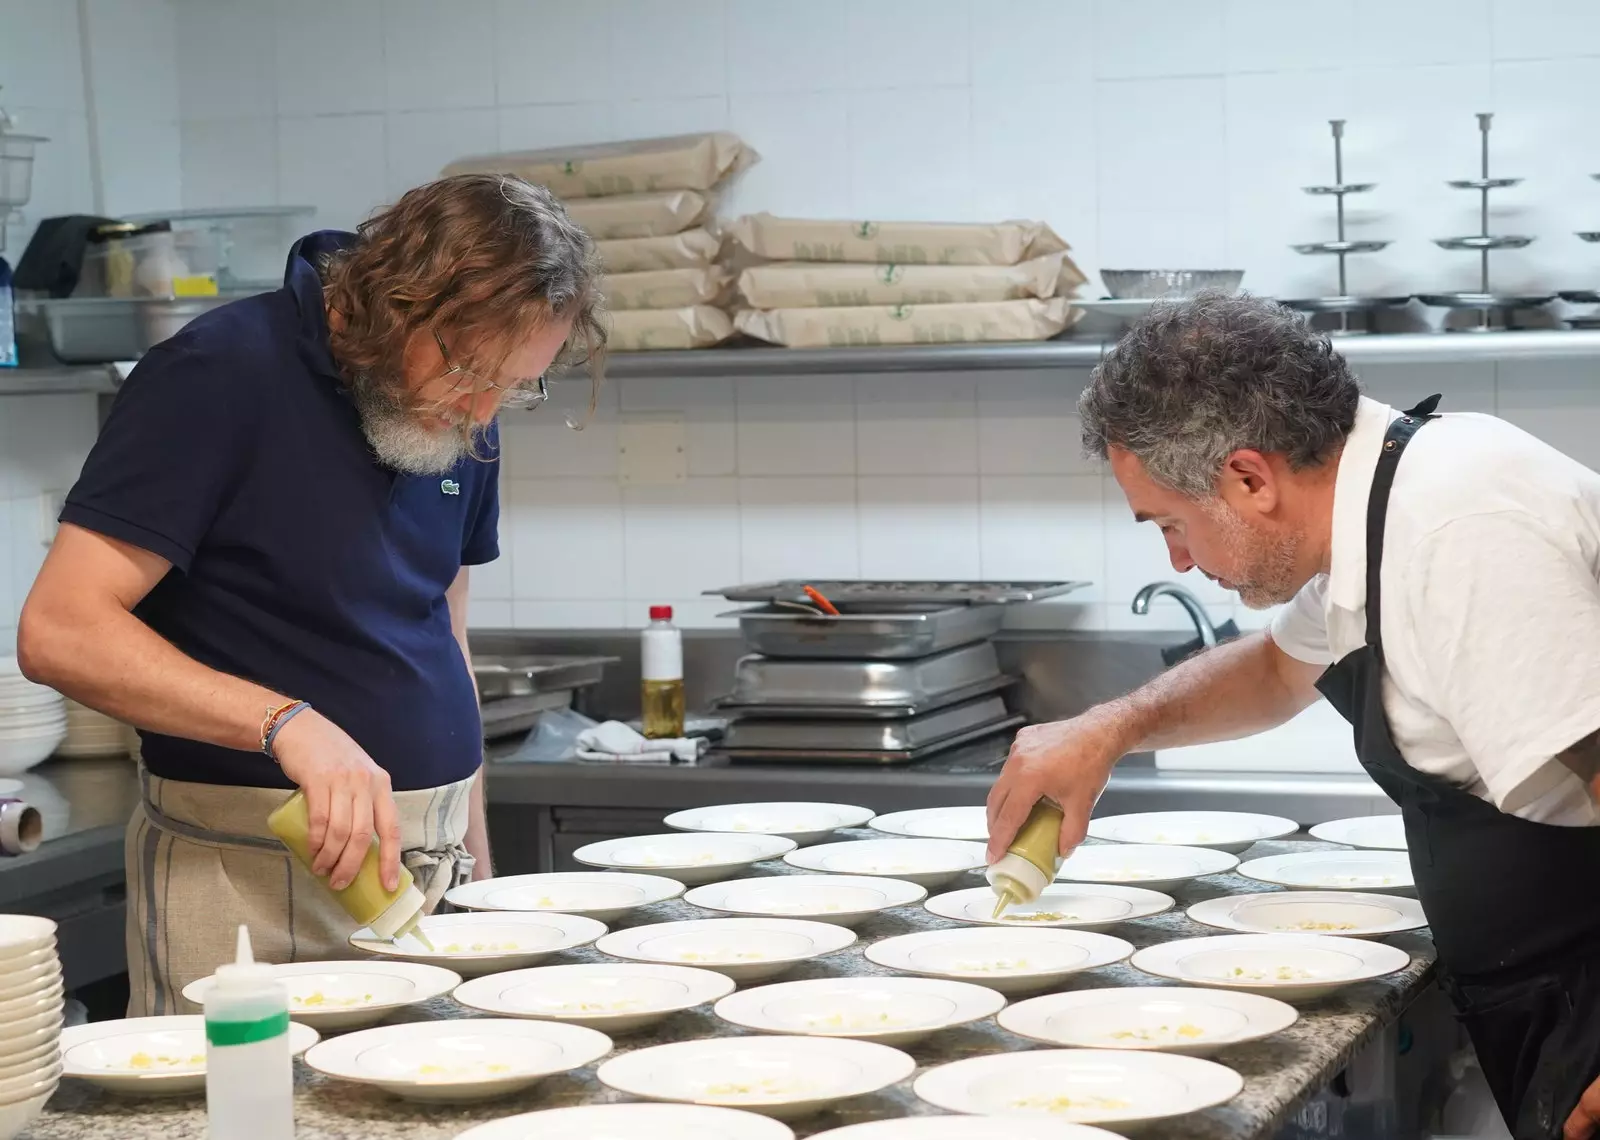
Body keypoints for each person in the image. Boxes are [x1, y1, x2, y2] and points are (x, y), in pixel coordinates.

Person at [985, 293, 1600, 1140]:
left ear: (1248, 477)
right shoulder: (1378, 507)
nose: (1179, 558)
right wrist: (1110, 729)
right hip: (1545, 993)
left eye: (1172, 523)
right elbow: (1277, 670)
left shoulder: (1458, 529)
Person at [17, 174, 605, 1015]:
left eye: (515, 387)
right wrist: (286, 724)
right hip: (250, 885)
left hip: (427, 877)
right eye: (473, 371)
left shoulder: (459, 412)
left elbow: (444, 634)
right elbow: (59, 629)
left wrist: (480, 872)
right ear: (394, 303)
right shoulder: (217, 374)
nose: (483, 410)